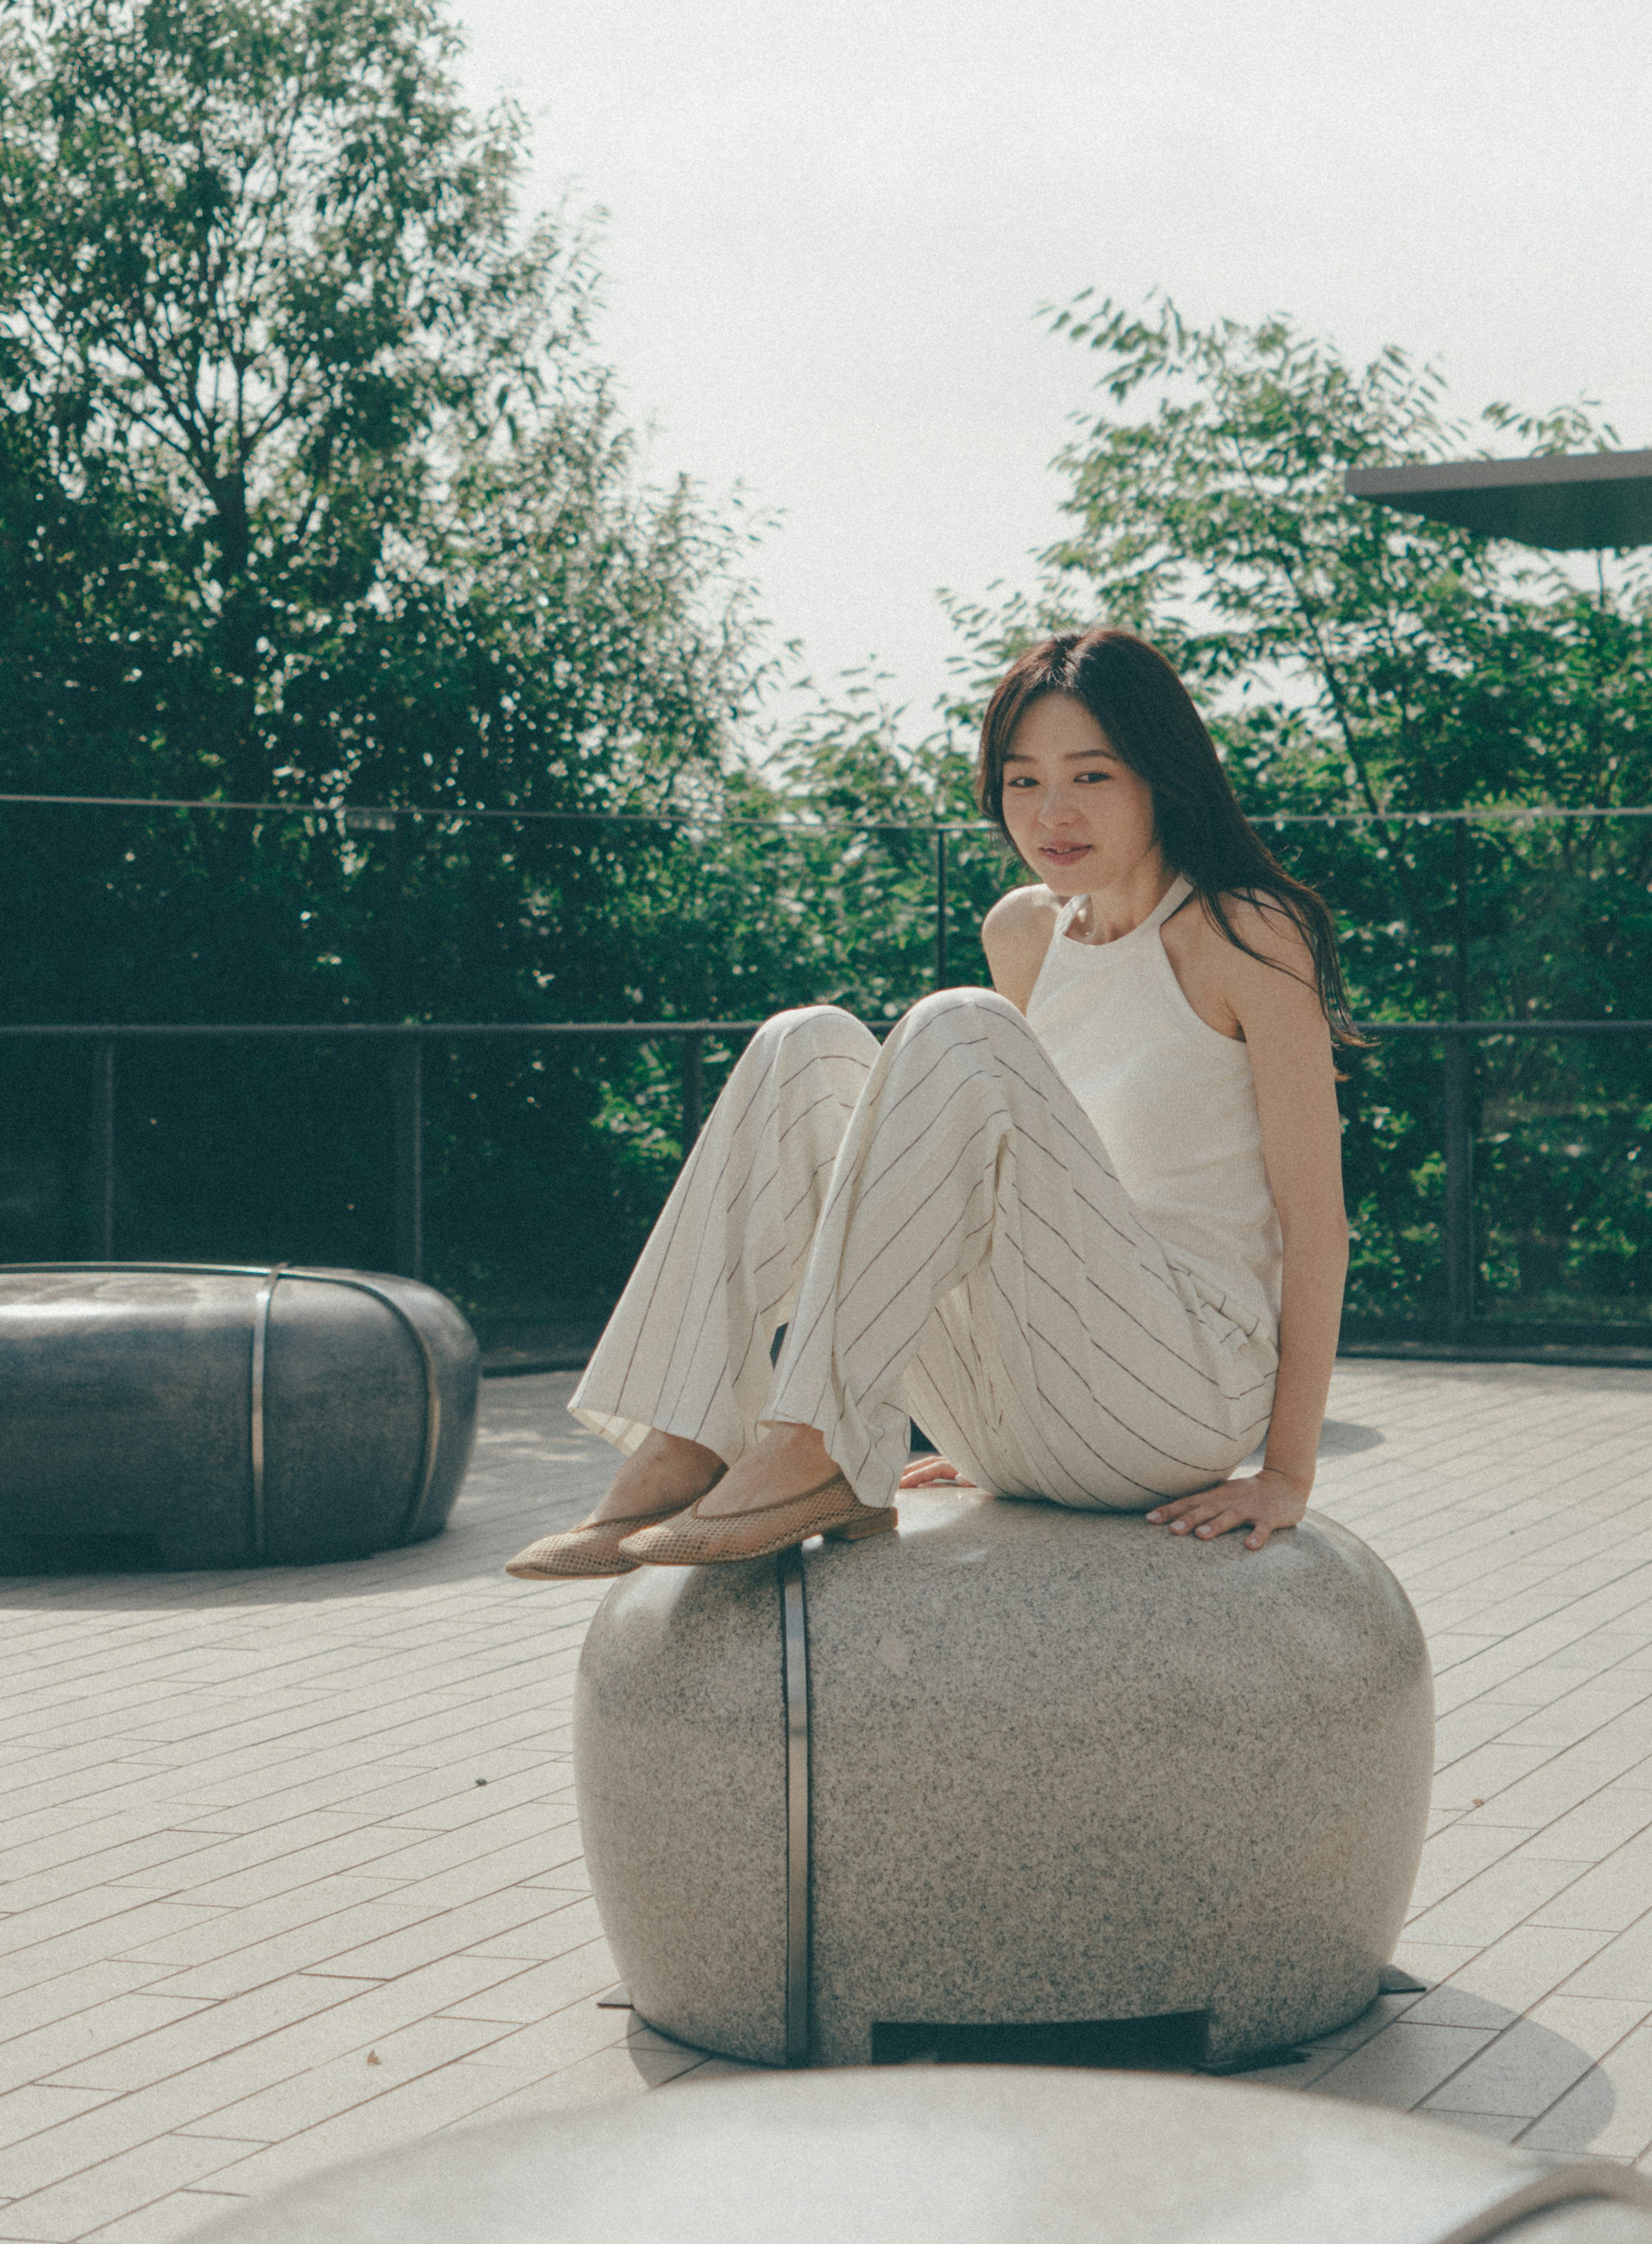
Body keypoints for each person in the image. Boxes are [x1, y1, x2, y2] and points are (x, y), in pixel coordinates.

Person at [505, 625, 1357, 1579]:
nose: (1052, 812)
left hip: (1182, 1391)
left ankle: (809, 1447)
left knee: (961, 1025)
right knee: (808, 1043)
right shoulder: (1026, 930)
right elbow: (992, 1193)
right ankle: (691, 1439)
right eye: (1022, 780)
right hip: (1039, 1414)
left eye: (1093, 776)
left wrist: (1287, 1474)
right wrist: (998, 1400)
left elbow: (1316, 1224)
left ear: (1163, 776)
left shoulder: (1248, 933)